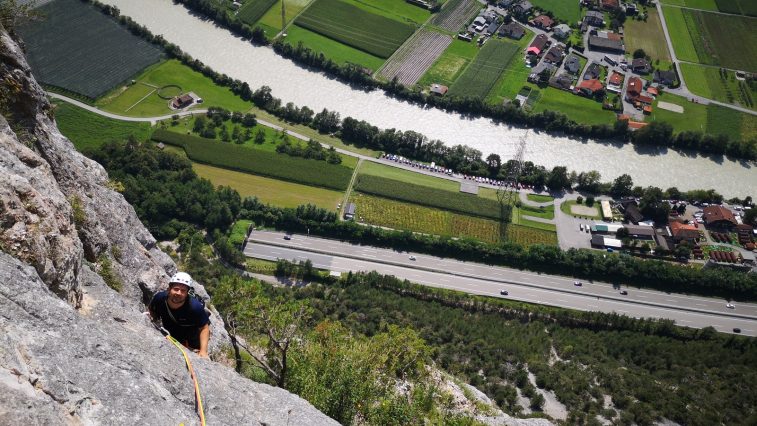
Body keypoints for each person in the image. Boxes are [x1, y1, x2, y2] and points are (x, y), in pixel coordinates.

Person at [148, 272, 210, 358]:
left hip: (190, 335)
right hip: (170, 329)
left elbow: (204, 328)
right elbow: (152, 309)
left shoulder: (194, 307)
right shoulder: (159, 298)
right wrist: (153, 320)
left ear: (187, 293)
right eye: (176, 289)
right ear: (169, 289)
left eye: (183, 291)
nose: (179, 293)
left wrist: (203, 351)